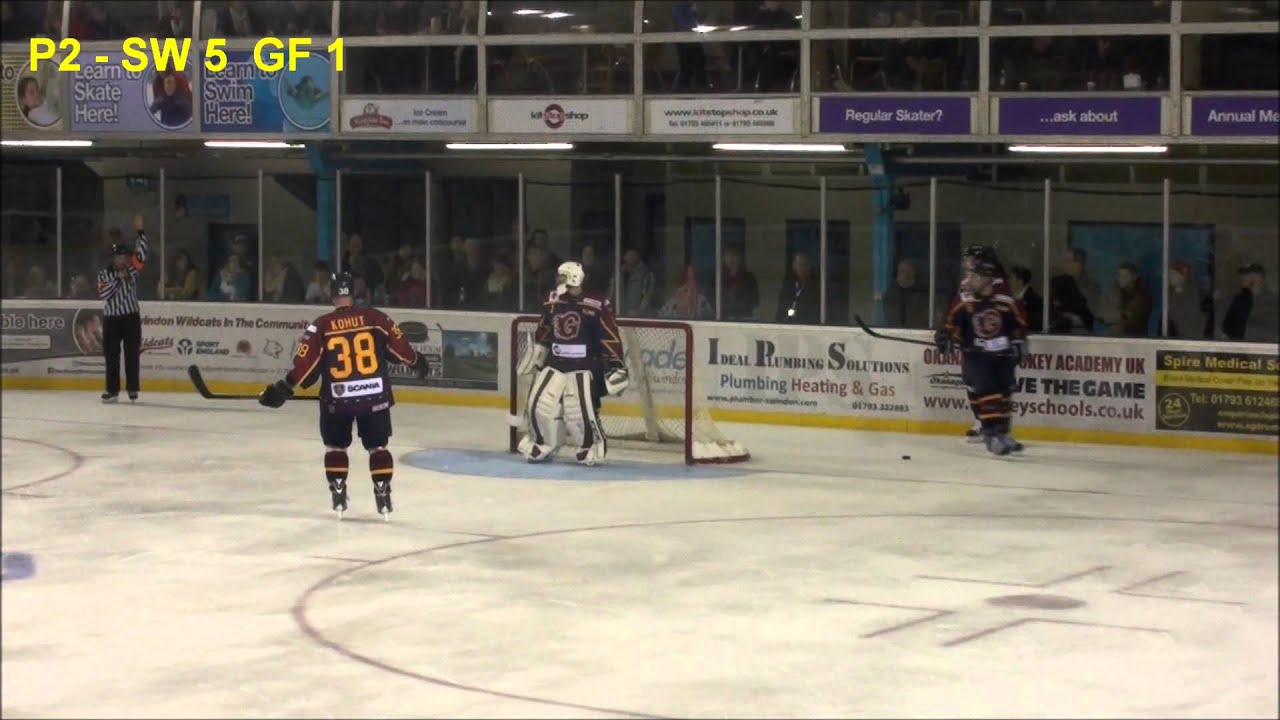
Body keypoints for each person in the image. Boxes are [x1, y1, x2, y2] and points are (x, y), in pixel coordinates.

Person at [258, 272, 428, 519]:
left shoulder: (322, 325)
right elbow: (399, 347)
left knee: (335, 446)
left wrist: (284, 388)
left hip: (338, 401)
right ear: (356, 293)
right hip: (375, 397)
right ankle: (383, 491)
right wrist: (416, 362)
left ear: (332, 295)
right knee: (378, 447)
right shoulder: (375, 318)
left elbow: (306, 366)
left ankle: (338, 490)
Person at [515, 261, 629, 466]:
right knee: (539, 405)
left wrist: (614, 363)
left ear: (573, 278)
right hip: (555, 363)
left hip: (584, 366)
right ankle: (542, 443)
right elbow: (544, 331)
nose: (557, 280)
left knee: (578, 411)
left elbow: (609, 335)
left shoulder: (596, 303)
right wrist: (537, 355)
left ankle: (588, 446)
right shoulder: (552, 301)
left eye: (561, 276)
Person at [938, 257, 1029, 456]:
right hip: (977, 358)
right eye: (968, 274)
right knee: (989, 394)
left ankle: (1003, 434)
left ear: (988, 278)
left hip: (1002, 357)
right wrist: (945, 335)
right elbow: (950, 322)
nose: (969, 279)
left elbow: (1019, 323)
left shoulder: (1004, 301)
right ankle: (991, 435)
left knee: (1004, 395)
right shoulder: (965, 300)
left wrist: (1018, 342)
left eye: (974, 275)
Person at [97, 213, 149, 403]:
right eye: (120, 257)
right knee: (111, 355)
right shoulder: (104, 274)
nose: (123, 260)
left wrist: (140, 231)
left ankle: (133, 389)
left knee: (132, 354)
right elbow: (104, 295)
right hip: (112, 319)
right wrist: (118, 280)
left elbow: (142, 254)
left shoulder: (133, 270)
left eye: (125, 256)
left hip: (131, 317)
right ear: (113, 258)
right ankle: (112, 390)